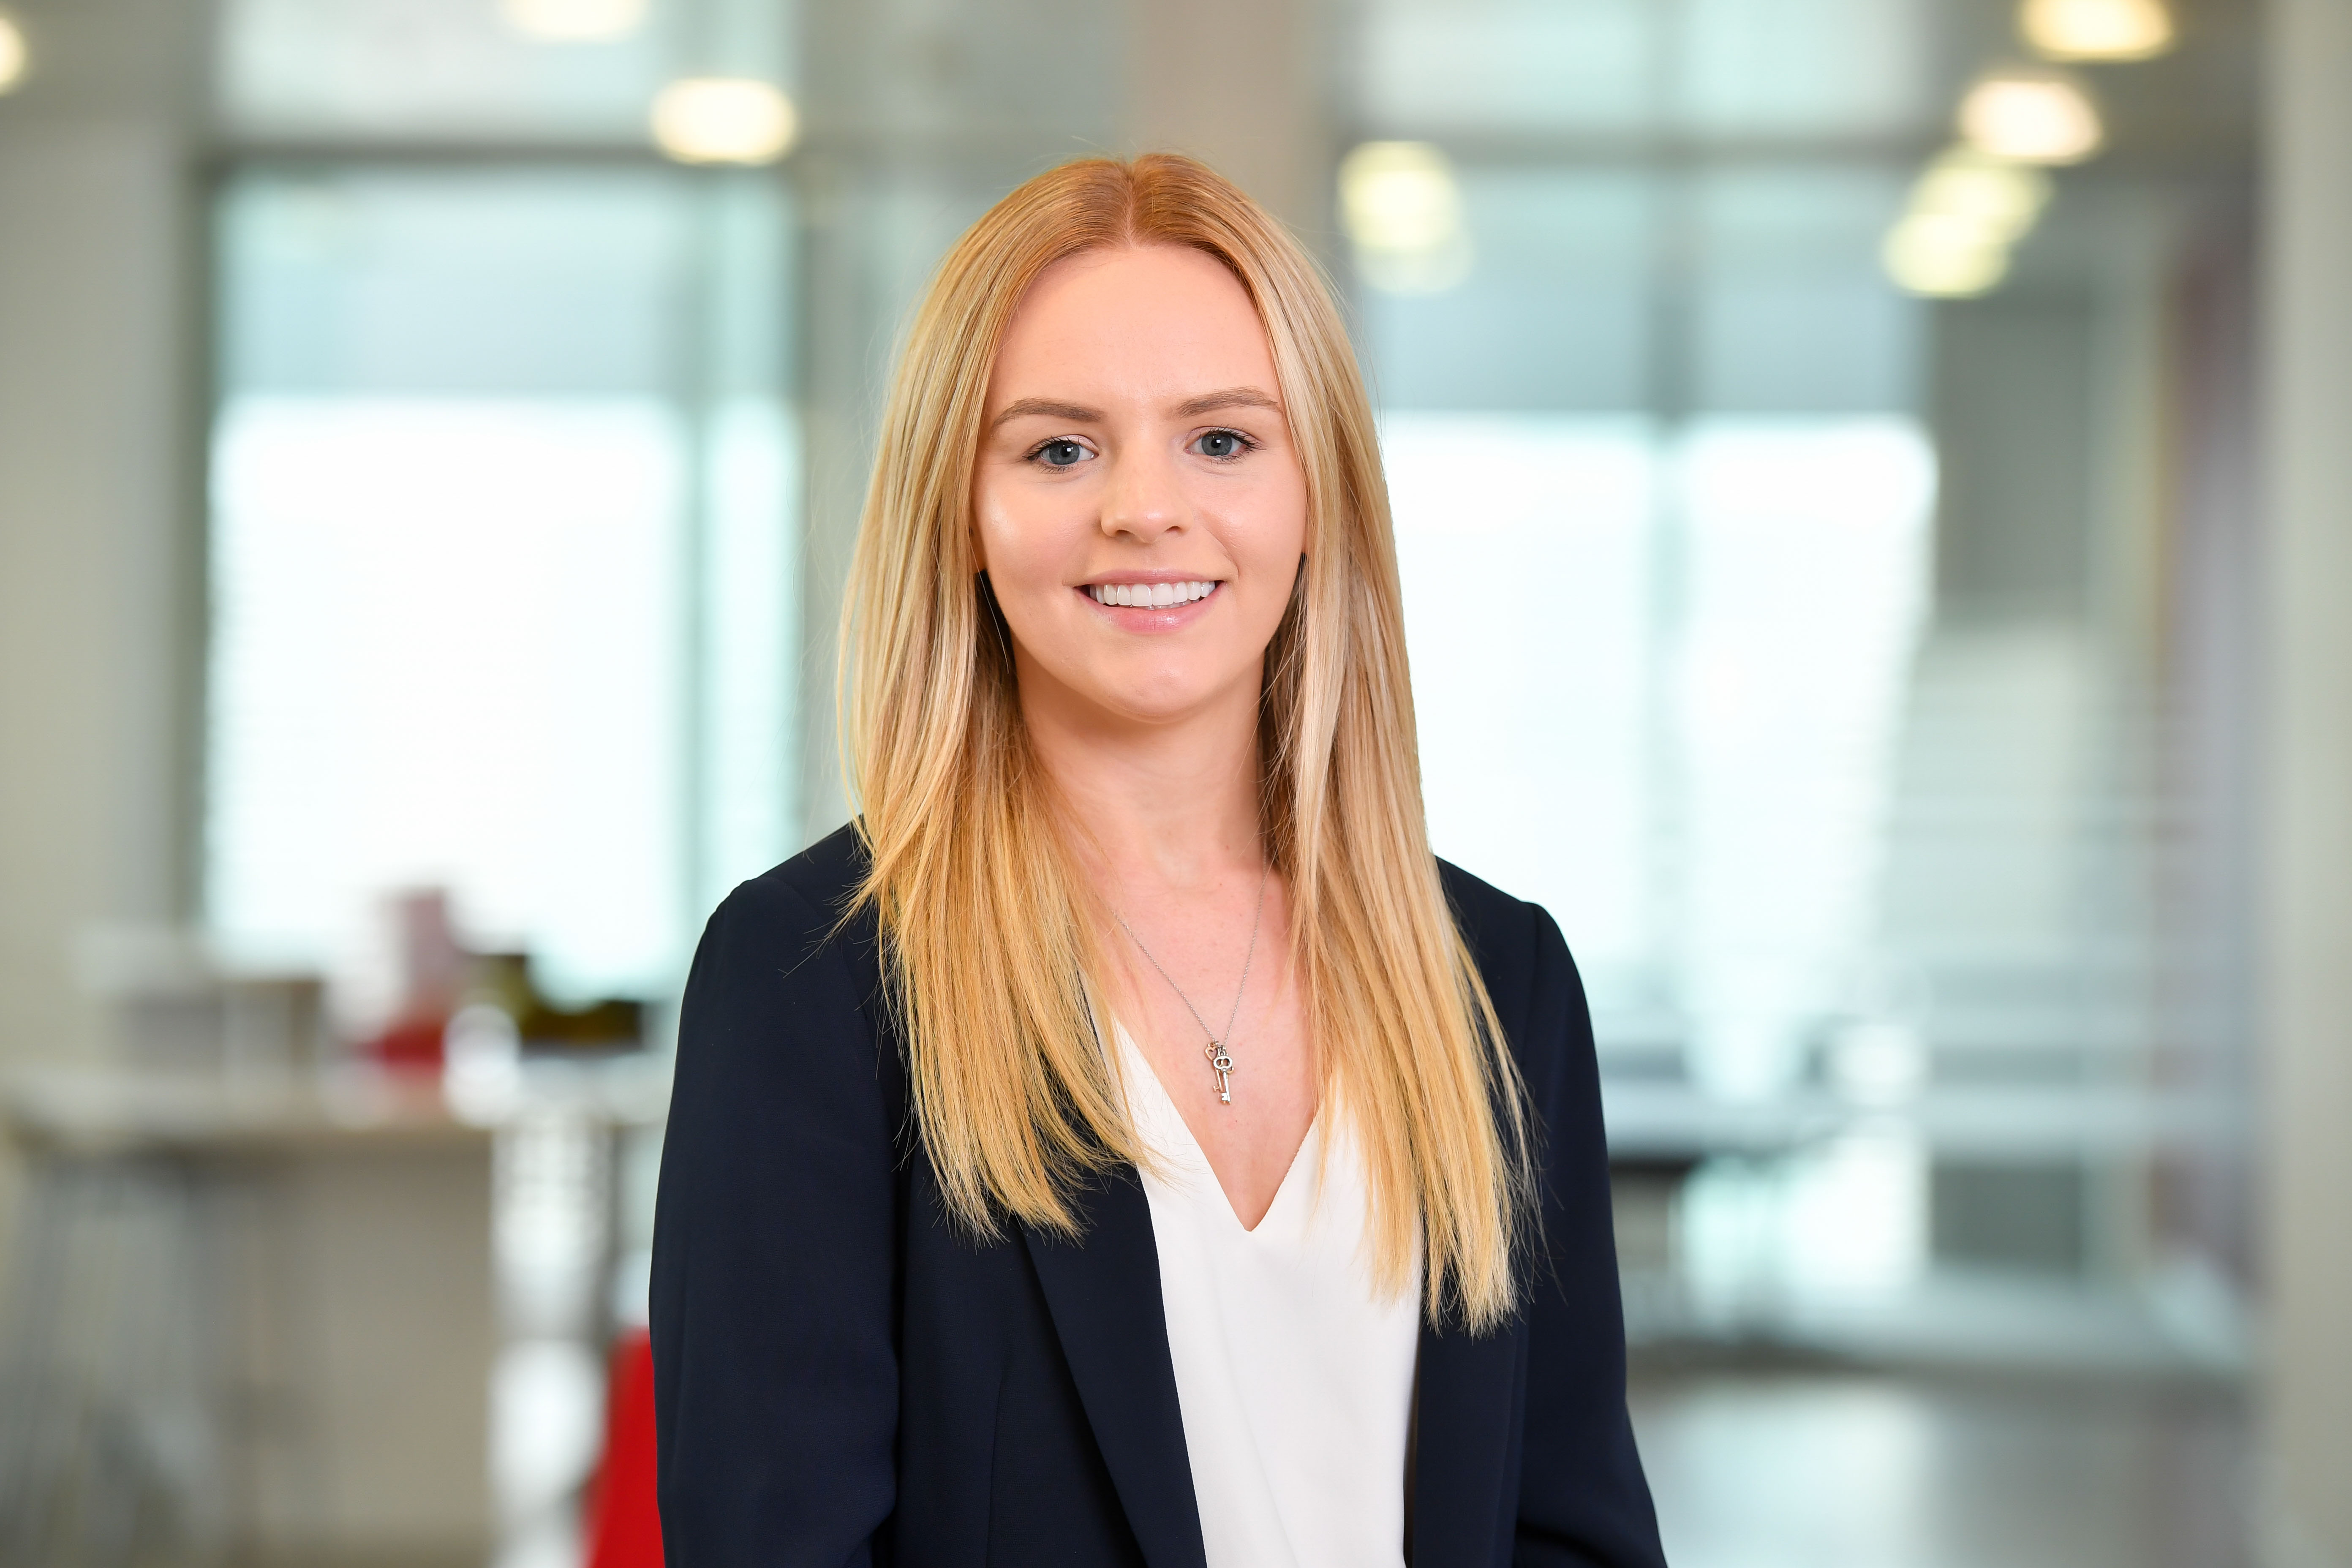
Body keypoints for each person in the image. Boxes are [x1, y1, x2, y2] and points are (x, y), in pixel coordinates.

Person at [650, 152, 1666, 1568]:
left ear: (1320, 495)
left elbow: (1576, 1528)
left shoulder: (1499, 982)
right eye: (1060, 448)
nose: (1144, 508)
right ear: (964, 507)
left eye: (1223, 440)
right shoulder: (812, 980)